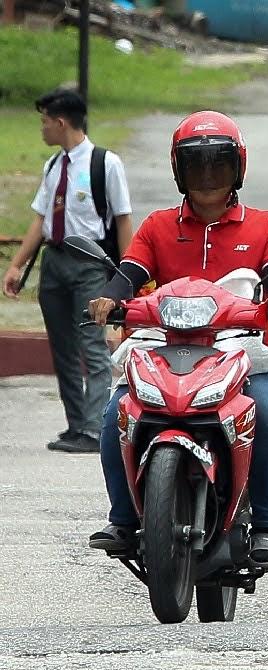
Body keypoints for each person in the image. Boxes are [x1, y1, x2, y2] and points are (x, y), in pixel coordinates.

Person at [85, 111, 268, 567]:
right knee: (114, 414)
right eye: (195, 164)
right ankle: (123, 519)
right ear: (177, 169)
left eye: (218, 163)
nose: (207, 175)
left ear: (238, 167)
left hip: (237, 344)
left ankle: (267, 526)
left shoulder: (266, 225)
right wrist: (108, 298)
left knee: (267, 411)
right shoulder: (158, 225)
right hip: (161, 342)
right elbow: (129, 274)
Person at [2, 88, 133, 453]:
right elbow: (40, 220)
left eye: (44, 121)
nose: (41, 128)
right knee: (62, 346)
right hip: (55, 262)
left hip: (90, 264)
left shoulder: (105, 164)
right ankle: (76, 424)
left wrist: (127, 275)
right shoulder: (53, 166)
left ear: (61, 123)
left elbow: (123, 220)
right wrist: (16, 265)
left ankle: (94, 428)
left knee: (91, 344)